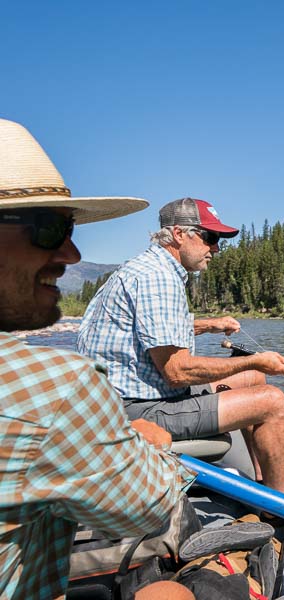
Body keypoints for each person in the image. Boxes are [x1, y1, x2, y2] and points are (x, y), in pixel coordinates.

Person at [0, 118, 193, 599]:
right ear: (178, 237)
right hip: (141, 424)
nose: (71, 251)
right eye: (48, 228)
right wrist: (151, 448)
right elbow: (148, 511)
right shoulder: (54, 389)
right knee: (172, 593)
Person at [77, 197, 284, 508]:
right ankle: (281, 504)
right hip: (134, 412)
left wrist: (209, 324)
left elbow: (155, 328)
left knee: (252, 378)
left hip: (119, 401)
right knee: (273, 401)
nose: (216, 248)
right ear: (180, 235)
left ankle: (266, 470)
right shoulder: (158, 278)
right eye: (210, 237)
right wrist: (256, 359)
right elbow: (177, 373)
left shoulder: (147, 268)